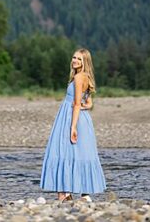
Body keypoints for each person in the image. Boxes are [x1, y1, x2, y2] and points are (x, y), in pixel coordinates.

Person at [40, 48, 106, 201]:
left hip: (71, 118)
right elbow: (88, 102)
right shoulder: (86, 77)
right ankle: (79, 194)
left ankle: (65, 195)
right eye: (74, 57)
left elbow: (77, 103)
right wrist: (84, 107)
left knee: (63, 151)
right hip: (80, 117)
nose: (75, 60)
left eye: (79, 59)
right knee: (78, 153)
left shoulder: (78, 78)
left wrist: (73, 127)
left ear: (85, 62)